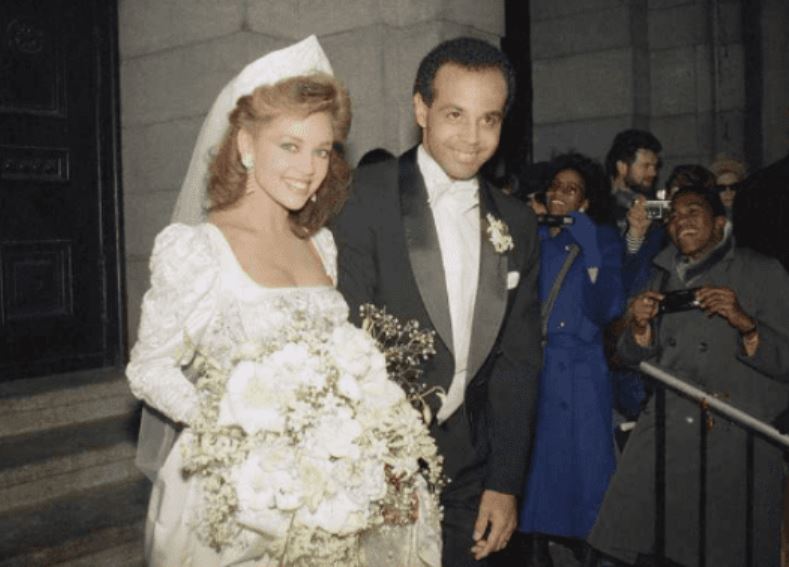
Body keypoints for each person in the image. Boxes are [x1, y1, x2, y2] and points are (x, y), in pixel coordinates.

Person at [127, 37, 441, 567]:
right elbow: (149, 369)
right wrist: (238, 428)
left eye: (322, 150)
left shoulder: (320, 243)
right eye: (290, 146)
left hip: (331, 493)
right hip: (236, 501)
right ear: (246, 146)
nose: (309, 167)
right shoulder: (195, 248)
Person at [332, 37, 542, 567]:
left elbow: (519, 362)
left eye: (489, 119)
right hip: (374, 466)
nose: (472, 138)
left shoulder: (515, 222)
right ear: (420, 108)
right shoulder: (362, 195)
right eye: (455, 114)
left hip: (473, 470)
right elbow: (342, 337)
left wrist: (505, 482)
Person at [588, 186, 789, 566]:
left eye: (693, 211)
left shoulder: (762, 271)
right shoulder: (660, 276)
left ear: (719, 222)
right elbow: (629, 357)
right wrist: (641, 329)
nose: (681, 221)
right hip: (670, 446)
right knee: (661, 554)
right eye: (674, 216)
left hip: (737, 445)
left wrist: (746, 324)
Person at [514, 153, 624, 567]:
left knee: (587, 484)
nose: (560, 193)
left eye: (571, 189)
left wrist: (590, 247)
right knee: (539, 488)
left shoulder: (601, 240)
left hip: (581, 375)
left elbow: (606, 306)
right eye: (556, 186)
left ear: (586, 202)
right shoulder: (536, 238)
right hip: (540, 370)